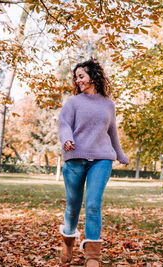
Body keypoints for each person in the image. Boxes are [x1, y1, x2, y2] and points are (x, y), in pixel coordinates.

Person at [58, 58, 129, 266]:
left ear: (93, 76)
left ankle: (92, 256)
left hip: (102, 160)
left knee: (92, 205)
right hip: (75, 158)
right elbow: (64, 125)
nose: (78, 80)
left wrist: (120, 154)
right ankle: (68, 242)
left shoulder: (108, 104)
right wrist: (67, 139)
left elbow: (112, 131)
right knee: (72, 206)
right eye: (76, 77)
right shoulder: (73, 103)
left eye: (82, 76)